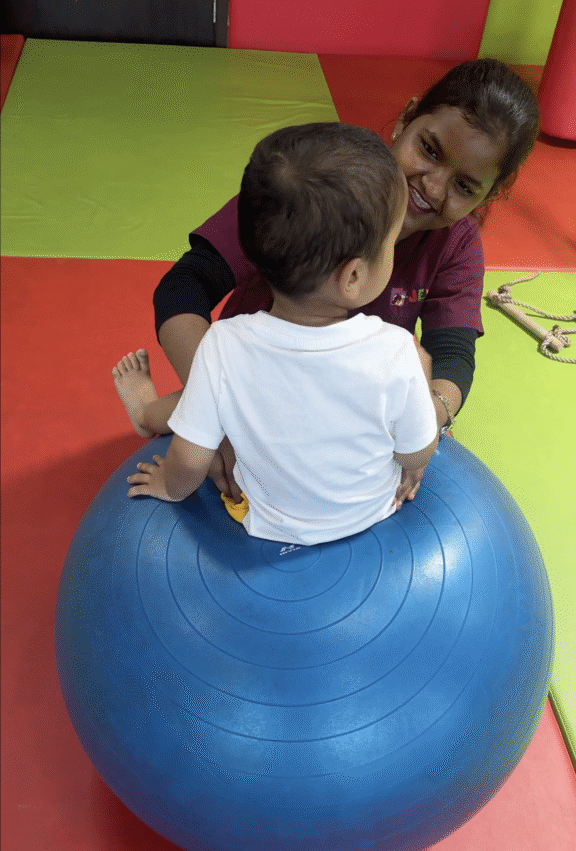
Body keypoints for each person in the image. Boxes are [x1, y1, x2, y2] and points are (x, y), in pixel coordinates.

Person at [118, 57, 539, 505]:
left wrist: (427, 418)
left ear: (491, 194)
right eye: (430, 150)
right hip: (253, 375)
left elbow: (454, 355)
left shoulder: (456, 245)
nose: (434, 188)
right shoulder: (318, 185)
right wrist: (221, 405)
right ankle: (155, 409)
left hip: (342, 403)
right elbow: (184, 285)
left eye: (466, 186)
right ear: (405, 119)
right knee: (181, 411)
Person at [117, 123, 439, 546]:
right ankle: (148, 413)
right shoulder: (397, 352)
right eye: (391, 243)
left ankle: (146, 413)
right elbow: (414, 455)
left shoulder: (223, 345)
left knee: (210, 393)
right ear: (354, 276)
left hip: (265, 516)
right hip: (370, 512)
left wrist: (169, 486)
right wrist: (421, 383)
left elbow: (191, 458)